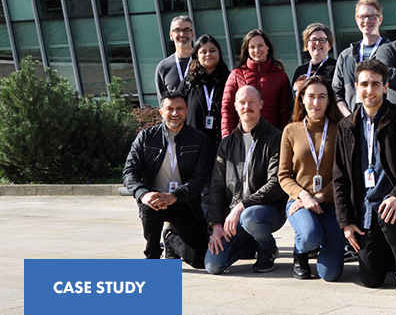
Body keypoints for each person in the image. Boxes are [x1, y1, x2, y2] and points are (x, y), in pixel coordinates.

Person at [332, 59, 396, 293]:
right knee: (371, 279)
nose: (370, 90)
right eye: (364, 84)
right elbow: (340, 178)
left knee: (388, 213)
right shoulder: (346, 126)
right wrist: (346, 222)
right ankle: (391, 256)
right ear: (356, 87)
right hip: (365, 208)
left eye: (376, 84)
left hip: (395, 205)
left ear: (385, 87)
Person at [122, 90, 212, 269]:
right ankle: (153, 254)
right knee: (150, 208)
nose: (175, 113)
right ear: (161, 112)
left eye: (180, 108)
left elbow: (200, 178)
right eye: (170, 108)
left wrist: (175, 196)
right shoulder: (146, 137)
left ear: (186, 111)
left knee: (199, 260)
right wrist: (143, 194)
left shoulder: (199, 140)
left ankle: (170, 238)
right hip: (154, 199)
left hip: (185, 201)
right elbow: (129, 172)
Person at [205, 86, 288, 274]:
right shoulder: (227, 143)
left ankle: (267, 248)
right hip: (235, 216)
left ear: (261, 104)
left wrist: (242, 205)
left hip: (267, 211)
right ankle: (249, 243)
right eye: (242, 102)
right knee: (213, 265)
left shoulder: (276, 138)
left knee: (250, 217)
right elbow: (217, 187)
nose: (247, 106)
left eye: (252, 102)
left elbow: (276, 183)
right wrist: (216, 225)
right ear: (235, 106)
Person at [278, 76, 346, 281]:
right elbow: (283, 175)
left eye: (322, 97)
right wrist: (305, 196)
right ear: (302, 99)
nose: (316, 102)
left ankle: (322, 241)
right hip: (300, 202)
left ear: (329, 100)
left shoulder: (340, 129)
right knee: (309, 236)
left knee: (330, 274)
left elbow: (345, 173)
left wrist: (320, 196)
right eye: (311, 96)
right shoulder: (291, 130)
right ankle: (301, 252)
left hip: (331, 203)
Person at [222, 29, 292, 137]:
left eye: (260, 45)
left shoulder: (280, 76)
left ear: (267, 47)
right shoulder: (236, 75)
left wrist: (285, 139)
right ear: (247, 50)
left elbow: (285, 112)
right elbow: (227, 110)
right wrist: (227, 139)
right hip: (243, 136)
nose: (256, 50)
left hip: (271, 137)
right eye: (252, 47)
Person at [332, 0, 390, 117]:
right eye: (362, 16)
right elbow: (336, 92)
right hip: (353, 119)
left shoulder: (392, 51)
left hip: (385, 118)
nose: (367, 20)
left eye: (372, 16)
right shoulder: (346, 56)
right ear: (356, 20)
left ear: (380, 19)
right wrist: (349, 117)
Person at [178, 35, 230, 152]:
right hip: (194, 148)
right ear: (197, 55)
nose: (208, 54)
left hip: (224, 147)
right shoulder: (189, 82)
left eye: (212, 50)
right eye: (203, 52)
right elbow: (177, 108)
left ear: (219, 52)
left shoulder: (230, 79)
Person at [155, 15, 195, 100]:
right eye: (177, 30)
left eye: (186, 30)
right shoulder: (163, 67)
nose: (182, 34)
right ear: (171, 35)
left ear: (192, 35)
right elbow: (162, 103)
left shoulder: (202, 63)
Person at [291, 23, 336, 96]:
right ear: (307, 45)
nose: (317, 43)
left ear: (329, 45)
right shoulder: (300, 70)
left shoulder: (336, 67)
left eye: (322, 40)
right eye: (313, 40)